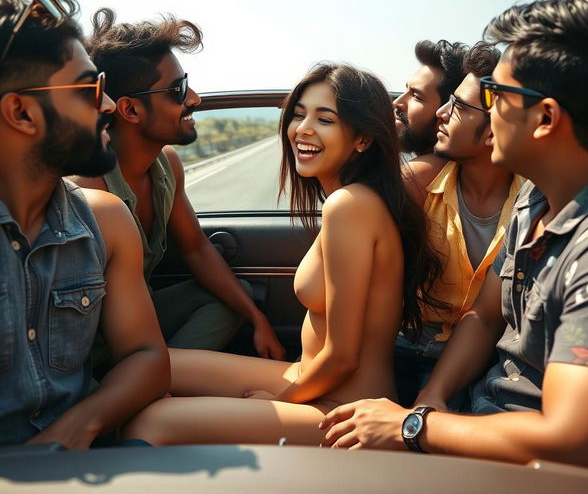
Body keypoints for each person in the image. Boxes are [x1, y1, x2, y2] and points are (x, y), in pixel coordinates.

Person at [321, 0, 588, 475]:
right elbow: (488, 315)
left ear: (546, 119)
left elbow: (579, 444)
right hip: (478, 420)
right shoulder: (539, 196)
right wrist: (428, 402)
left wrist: (411, 429)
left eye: (497, 97)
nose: (487, 116)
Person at [121, 62, 442, 446]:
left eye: (325, 119)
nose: (302, 129)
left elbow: (343, 358)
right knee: (152, 367)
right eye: (299, 115)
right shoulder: (356, 200)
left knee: (151, 421)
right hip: (310, 374)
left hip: (344, 406)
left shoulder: (349, 206)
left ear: (362, 139)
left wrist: (276, 403)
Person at [0, 0, 169, 449]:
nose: (110, 105)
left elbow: (148, 356)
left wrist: (76, 429)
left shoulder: (105, 219)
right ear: (21, 112)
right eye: (90, 89)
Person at [73, 8, 284, 359]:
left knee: (236, 297)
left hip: (140, 322)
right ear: (130, 110)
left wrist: (258, 320)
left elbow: (197, 249)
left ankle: (160, 381)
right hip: (91, 343)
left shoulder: (166, 164)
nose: (194, 99)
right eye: (178, 89)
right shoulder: (89, 188)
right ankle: (145, 386)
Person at [394, 41, 525, 407]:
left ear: (493, 130)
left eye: (459, 107)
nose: (441, 113)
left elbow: (486, 318)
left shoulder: (532, 203)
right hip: (405, 347)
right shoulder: (419, 185)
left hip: (484, 365)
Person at [392, 39, 468, 202]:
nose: (398, 102)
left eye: (416, 96)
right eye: (406, 90)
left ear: (446, 111)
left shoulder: (412, 178)